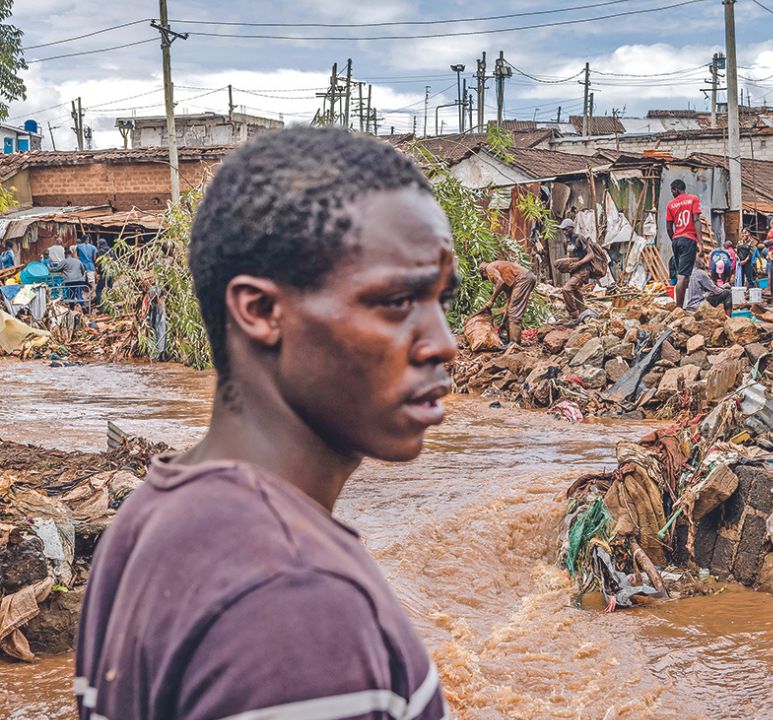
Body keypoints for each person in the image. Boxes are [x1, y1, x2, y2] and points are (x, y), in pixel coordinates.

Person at [74, 128, 453, 720]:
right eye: (398, 302)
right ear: (260, 312)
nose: (443, 344)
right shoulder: (295, 601)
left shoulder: (148, 515)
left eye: (442, 300)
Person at [476, 260, 537, 343]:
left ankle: (514, 344)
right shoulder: (505, 277)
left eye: (487, 278)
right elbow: (509, 301)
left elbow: (500, 282)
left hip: (524, 279)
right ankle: (510, 341)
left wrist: (491, 301)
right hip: (526, 278)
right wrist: (503, 322)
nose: (490, 279)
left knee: (514, 314)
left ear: (484, 273)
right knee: (511, 311)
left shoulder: (489, 268)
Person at [556, 217, 603, 321]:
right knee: (576, 291)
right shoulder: (566, 241)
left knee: (566, 289)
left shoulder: (579, 238)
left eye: (566, 229)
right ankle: (584, 314)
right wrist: (566, 265)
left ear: (572, 228)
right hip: (574, 271)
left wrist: (579, 263)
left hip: (583, 270)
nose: (564, 232)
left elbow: (590, 255)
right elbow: (569, 257)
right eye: (562, 230)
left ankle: (574, 315)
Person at [665, 179, 702, 308]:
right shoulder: (693, 199)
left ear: (676, 189)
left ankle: (681, 305)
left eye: (672, 191)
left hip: (676, 239)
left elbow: (669, 228)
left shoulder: (671, 204)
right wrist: (700, 242)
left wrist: (675, 239)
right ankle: (679, 308)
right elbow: (696, 220)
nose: (672, 193)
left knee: (682, 274)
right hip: (688, 239)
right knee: (683, 276)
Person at [47, 245, 87, 311]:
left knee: (70, 295)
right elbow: (83, 270)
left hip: (69, 281)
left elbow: (57, 269)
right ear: (71, 254)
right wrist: (81, 276)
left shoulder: (64, 261)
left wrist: (49, 268)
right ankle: (82, 305)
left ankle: (72, 309)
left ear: (65, 254)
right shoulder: (78, 261)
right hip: (79, 280)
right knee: (79, 294)